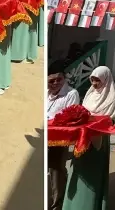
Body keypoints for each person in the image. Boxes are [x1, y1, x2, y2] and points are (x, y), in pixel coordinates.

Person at [63, 66, 115, 210]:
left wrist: (95, 123)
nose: (94, 84)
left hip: (99, 139)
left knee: (93, 171)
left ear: (106, 79)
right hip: (82, 137)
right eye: (93, 80)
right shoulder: (89, 94)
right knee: (79, 169)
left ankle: (92, 203)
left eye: (98, 80)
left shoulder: (113, 97)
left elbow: (111, 120)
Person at [47, 65, 80, 210]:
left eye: (58, 80)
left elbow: (69, 118)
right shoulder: (45, 93)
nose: (55, 84)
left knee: (56, 170)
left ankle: (57, 204)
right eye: (51, 81)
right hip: (45, 136)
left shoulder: (71, 94)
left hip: (59, 139)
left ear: (64, 78)